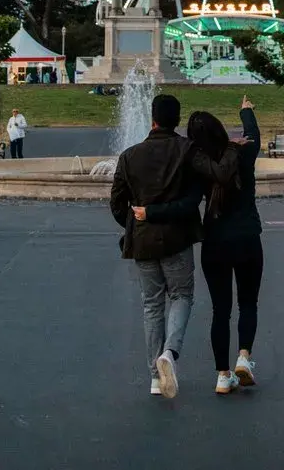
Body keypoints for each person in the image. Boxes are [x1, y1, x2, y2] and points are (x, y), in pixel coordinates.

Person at [109, 93, 202, 398]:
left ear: (152, 119)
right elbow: (192, 200)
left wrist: (136, 224)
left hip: (144, 240)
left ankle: (153, 376)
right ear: (177, 119)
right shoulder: (187, 150)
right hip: (177, 237)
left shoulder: (129, 155)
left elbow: (116, 203)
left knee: (152, 304)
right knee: (182, 295)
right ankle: (169, 353)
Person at [185, 98, 262, 394]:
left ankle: (222, 375)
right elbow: (253, 134)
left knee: (220, 310)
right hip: (246, 236)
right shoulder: (244, 152)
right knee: (248, 302)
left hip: (215, 241)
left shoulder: (198, 164)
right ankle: (244, 357)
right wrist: (246, 110)